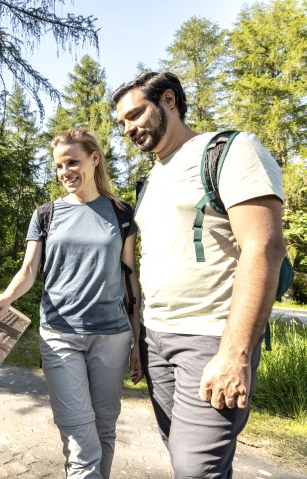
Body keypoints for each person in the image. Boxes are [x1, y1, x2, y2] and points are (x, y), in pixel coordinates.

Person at [111, 72, 287, 478]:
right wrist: (140, 338)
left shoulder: (229, 149)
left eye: (135, 115)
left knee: (196, 470)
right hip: (156, 340)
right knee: (181, 458)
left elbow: (264, 248)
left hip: (209, 339)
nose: (129, 129)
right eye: (122, 123)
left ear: (168, 100)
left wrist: (235, 354)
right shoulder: (152, 179)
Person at [0, 128, 143, 479]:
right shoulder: (46, 214)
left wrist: (138, 342)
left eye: (72, 162)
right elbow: (29, 269)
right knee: (82, 442)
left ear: (94, 159)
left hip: (112, 337)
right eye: (58, 165)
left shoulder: (121, 213)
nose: (65, 171)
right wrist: (6, 297)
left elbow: (131, 280)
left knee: (104, 430)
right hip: (60, 336)